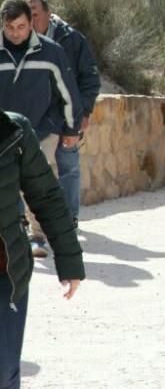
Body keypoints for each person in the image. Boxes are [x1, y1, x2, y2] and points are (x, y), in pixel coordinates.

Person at [0, 109, 84, 389]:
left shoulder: (13, 130)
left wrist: (69, 260)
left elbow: (46, 196)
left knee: (4, 371)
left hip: (5, 275)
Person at [0, 0, 82, 260]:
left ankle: (38, 236)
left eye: (21, 26)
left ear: (32, 23)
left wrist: (71, 129)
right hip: (4, 133)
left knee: (39, 185)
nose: (15, 33)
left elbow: (68, 93)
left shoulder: (51, 52)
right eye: (10, 27)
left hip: (43, 130)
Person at [25, 0, 100, 229]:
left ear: (49, 13)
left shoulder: (72, 39)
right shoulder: (18, 42)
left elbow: (89, 78)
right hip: (37, 120)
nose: (31, 19)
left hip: (68, 115)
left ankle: (69, 222)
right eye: (28, 14)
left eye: (35, 13)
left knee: (68, 167)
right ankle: (32, 226)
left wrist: (84, 111)